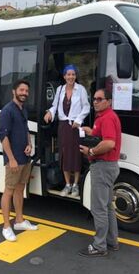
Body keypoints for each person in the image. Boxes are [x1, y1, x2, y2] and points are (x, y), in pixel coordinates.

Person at [78, 88, 121, 257]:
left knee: (98, 208)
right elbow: (103, 138)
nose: (95, 101)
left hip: (102, 167)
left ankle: (99, 246)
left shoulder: (108, 118)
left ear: (108, 101)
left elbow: (109, 143)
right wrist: (92, 132)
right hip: (109, 166)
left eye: (99, 99)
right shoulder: (104, 117)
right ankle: (112, 241)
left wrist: (90, 152)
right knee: (108, 206)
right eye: (94, 98)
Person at [0, 79, 38, 242]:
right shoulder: (7, 111)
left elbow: (26, 130)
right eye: (21, 90)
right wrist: (12, 159)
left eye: (26, 91)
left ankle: (19, 221)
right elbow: (3, 137)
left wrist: (29, 144)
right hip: (14, 160)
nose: (24, 93)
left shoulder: (23, 109)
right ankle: (7, 226)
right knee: (8, 190)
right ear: (14, 91)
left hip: (25, 157)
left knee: (20, 189)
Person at [44, 64, 90, 197]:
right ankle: (67, 184)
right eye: (68, 74)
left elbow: (86, 107)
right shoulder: (60, 89)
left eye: (73, 74)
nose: (71, 77)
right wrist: (50, 113)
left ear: (75, 76)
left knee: (75, 155)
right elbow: (55, 106)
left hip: (75, 127)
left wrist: (79, 120)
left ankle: (75, 185)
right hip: (63, 126)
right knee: (64, 155)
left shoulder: (81, 89)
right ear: (64, 76)